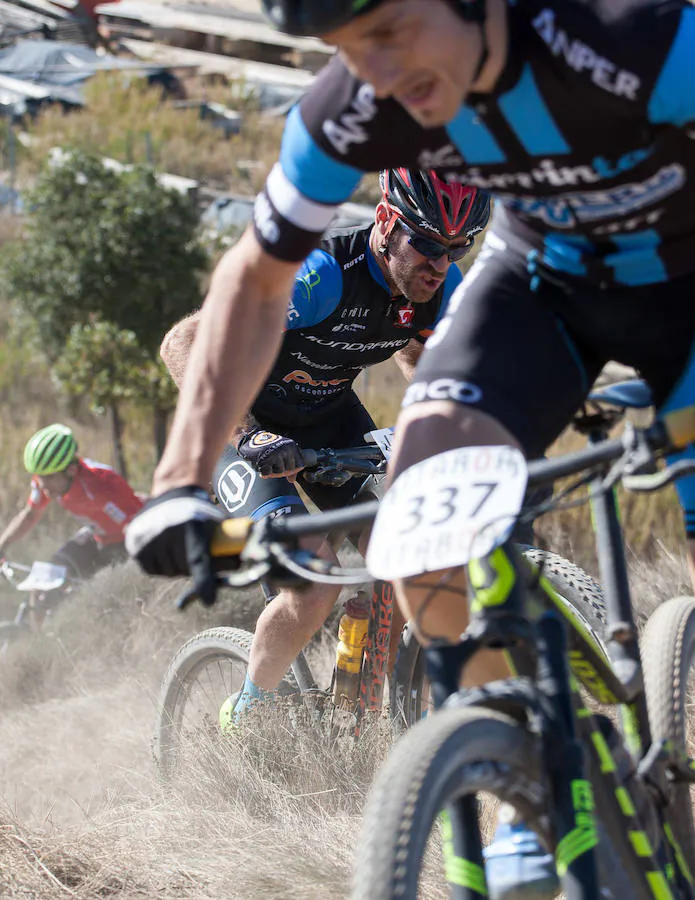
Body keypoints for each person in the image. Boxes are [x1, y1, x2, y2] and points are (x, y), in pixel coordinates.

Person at [125, 1, 695, 895]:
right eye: (348, 52)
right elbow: (244, 289)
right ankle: (527, 793)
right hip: (481, 322)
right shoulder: (349, 124)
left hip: (673, 289)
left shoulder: (632, 37)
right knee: (394, 541)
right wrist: (182, 479)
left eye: (387, 32)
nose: (375, 72)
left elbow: (426, 348)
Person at [159, 168, 490, 718]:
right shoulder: (321, 277)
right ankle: (249, 711)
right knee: (314, 580)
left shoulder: (437, 287)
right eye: (428, 243)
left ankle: (364, 704)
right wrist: (247, 435)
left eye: (458, 248)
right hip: (240, 426)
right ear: (386, 222)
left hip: (328, 420)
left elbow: (416, 353)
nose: (440, 262)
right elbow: (182, 343)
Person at [1, 424, 144, 579]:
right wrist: (2, 546)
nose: (43, 485)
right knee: (49, 577)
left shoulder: (100, 484)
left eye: (49, 477)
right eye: (39, 477)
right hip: (96, 535)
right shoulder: (48, 483)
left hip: (126, 539)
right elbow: (30, 515)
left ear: (71, 470)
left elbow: (135, 525)